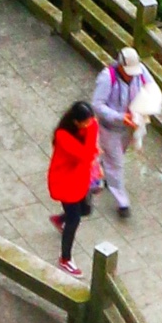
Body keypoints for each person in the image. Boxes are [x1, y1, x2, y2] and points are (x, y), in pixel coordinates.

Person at [90, 44, 154, 218]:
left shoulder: (140, 71)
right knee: (116, 163)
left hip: (129, 126)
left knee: (117, 155)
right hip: (110, 128)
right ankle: (122, 201)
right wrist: (119, 116)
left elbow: (150, 87)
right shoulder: (107, 78)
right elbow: (97, 104)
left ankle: (101, 168)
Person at [47, 97, 101, 276]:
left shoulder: (89, 124)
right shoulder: (62, 136)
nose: (89, 125)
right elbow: (85, 155)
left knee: (86, 210)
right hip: (65, 181)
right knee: (75, 218)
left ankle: (59, 220)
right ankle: (65, 259)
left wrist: (92, 147)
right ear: (75, 121)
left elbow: (93, 131)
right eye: (85, 122)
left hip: (81, 177)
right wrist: (92, 150)